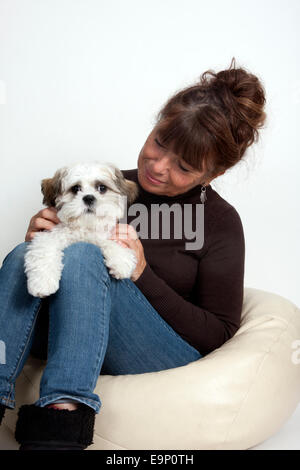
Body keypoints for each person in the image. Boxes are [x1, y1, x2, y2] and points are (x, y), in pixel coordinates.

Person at [0, 58, 266, 450]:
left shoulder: (220, 223)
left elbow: (220, 335)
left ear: (213, 174)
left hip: (159, 351)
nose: (156, 167)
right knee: (23, 253)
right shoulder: (106, 185)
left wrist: (143, 273)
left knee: (85, 258)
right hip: (77, 334)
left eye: (184, 166)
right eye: (159, 142)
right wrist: (41, 243)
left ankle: (62, 420)